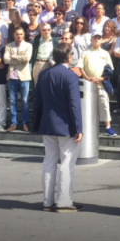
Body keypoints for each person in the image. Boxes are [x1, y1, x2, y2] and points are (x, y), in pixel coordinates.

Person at [32, 43, 84, 213]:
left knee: (49, 162)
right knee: (67, 164)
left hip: (47, 125)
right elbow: (74, 105)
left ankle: (47, 201)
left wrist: (36, 123)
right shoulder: (70, 76)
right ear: (69, 57)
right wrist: (78, 128)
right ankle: (64, 201)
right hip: (66, 126)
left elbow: (37, 102)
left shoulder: (44, 74)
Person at [80, 33, 116, 137]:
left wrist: (101, 78)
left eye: (98, 39)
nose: (96, 40)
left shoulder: (105, 53)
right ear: (91, 40)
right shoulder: (85, 53)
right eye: (94, 38)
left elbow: (109, 69)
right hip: (88, 84)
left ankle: (108, 127)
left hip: (101, 84)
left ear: (101, 41)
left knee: (104, 104)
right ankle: (86, 127)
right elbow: (81, 67)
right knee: (86, 105)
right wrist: (88, 79)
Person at [4, 27, 33, 132]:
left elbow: (27, 58)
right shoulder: (8, 46)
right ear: (14, 35)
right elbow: (6, 60)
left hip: (24, 77)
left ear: (23, 35)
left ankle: (24, 123)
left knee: (25, 101)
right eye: (17, 34)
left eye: (21, 34)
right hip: (12, 77)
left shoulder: (28, 45)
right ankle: (13, 123)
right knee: (12, 101)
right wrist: (19, 58)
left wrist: (14, 57)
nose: (19, 36)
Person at [31, 23, 54, 87]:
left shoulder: (54, 41)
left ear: (51, 30)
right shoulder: (36, 41)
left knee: (48, 86)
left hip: (49, 65)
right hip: (38, 63)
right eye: (44, 30)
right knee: (37, 85)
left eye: (48, 29)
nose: (46, 31)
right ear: (41, 31)